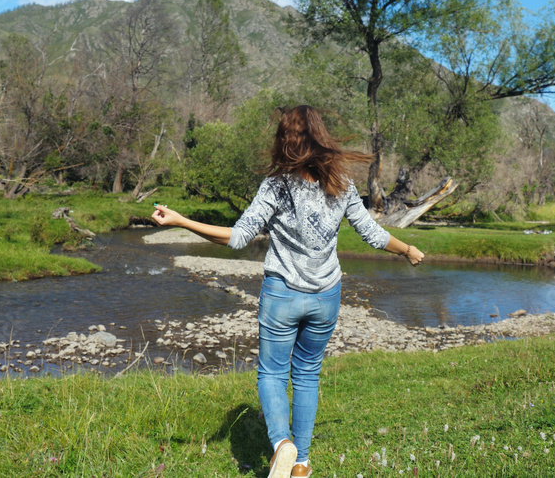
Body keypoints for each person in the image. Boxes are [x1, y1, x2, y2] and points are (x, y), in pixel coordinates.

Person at [151, 105, 424, 478]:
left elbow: (238, 238)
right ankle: (301, 464)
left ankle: (282, 444)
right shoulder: (342, 184)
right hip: (326, 296)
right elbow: (373, 235)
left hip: (282, 294)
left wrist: (181, 220)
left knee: (273, 375)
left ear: (286, 141)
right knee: (308, 374)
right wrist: (407, 250)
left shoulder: (276, 185)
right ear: (319, 138)